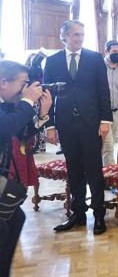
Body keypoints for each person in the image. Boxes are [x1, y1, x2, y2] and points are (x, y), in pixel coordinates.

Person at [43, 20, 112, 235]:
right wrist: (50, 125)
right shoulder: (53, 61)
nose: (80, 38)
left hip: (91, 123)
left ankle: (99, 215)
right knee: (73, 170)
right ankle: (78, 214)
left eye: (82, 34)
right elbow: (47, 95)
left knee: (94, 170)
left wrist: (105, 121)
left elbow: (103, 90)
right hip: (65, 123)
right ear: (64, 36)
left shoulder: (94, 58)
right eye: (75, 35)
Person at [0, 60, 50, 277]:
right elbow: (6, 128)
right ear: (3, 82)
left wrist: (42, 115)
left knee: (15, 218)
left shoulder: (8, 104)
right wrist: (28, 101)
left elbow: (20, 134)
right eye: (23, 83)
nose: (26, 88)